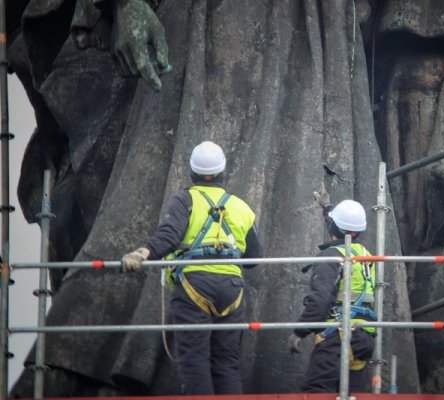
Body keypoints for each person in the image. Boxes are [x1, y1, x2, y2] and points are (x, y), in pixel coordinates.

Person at [121, 141, 262, 395]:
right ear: (223, 172)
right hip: (232, 290)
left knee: (195, 361)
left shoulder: (185, 200)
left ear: (192, 172)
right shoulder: (241, 207)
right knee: (227, 364)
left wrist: (143, 253)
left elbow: (169, 235)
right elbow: (254, 257)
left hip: (194, 287)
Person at [288, 185, 376, 393]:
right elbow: (343, 229)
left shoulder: (332, 256)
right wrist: (327, 207)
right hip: (364, 336)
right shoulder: (364, 255)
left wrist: (300, 332)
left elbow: (320, 299)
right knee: (352, 394)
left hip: (338, 336)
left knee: (317, 391)